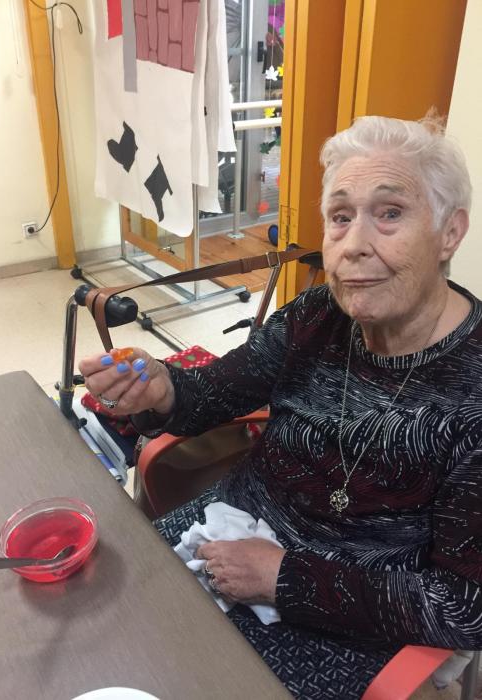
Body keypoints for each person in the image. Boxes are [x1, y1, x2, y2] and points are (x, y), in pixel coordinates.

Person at [79, 115, 482, 699]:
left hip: (347, 615)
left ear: (450, 232)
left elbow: (465, 605)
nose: (354, 244)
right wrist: (163, 390)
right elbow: (213, 392)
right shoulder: (317, 317)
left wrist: (283, 577)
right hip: (226, 530)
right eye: (340, 217)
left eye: (390, 213)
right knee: (93, 627)